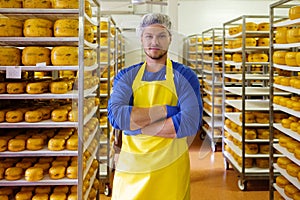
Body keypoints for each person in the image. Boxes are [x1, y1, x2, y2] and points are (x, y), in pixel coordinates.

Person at [107, 13, 202, 200]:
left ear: (170, 39)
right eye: (149, 36)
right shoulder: (127, 76)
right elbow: (117, 117)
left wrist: (137, 128)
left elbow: (190, 123)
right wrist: (166, 110)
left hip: (170, 171)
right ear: (141, 39)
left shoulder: (185, 76)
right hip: (132, 171)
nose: (155, 41)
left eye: (161, 36)